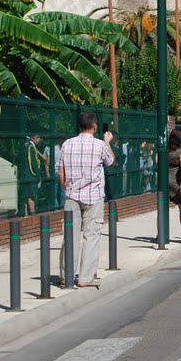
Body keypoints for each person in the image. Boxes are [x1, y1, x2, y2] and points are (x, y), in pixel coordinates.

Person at [56, 112, 114, 288]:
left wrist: (67, 187)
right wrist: (107, 142)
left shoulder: (67, 144)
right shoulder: (99, 145)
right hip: (93, 196)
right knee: (91, 236)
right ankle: (85, 277)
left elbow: (60, 171)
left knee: (70, 236)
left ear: (79, 126)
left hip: (72, 195)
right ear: (94, 126)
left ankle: (67, 276)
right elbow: (111, 161)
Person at [167, 129, 181, 241]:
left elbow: (156, 160)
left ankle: (162, 233)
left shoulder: (165, 150)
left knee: (163, 209)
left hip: (164, 182)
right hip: (175, 182)